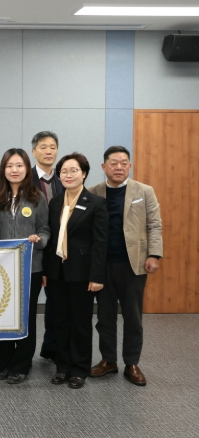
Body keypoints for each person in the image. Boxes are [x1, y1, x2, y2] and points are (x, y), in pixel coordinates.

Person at [88, 146, 163, 386]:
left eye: (123, 163)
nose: (118, 167)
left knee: (133, 317)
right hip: (102, 266)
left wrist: (154, 255)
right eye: (113, 163)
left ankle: (132, 362)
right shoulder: (92, 192)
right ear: (104, 167)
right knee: (105, 317)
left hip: (134, 264)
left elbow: (154, 225)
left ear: (129, 166)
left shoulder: (144, 191)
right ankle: (108, 360)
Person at [45, 152, 108, 389]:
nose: (68, 175)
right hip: (57, 272)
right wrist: (46, 271)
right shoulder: (55, 203)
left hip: (82, 273)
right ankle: (62, 367)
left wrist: (97, 276)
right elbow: (52, 239)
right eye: (64, 171)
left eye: (74, 170)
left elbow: (100, 243)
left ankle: (80, 369)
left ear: (84, 174)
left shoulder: (96, 203)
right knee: (59, 320)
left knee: (80, 322)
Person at [0, 149, 50, 384]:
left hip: (30, 267)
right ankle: (4, 363)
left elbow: (45, 229)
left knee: (26, 317)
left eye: (19, 165)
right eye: (9, 166)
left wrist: (39, 239)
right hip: (1, 269)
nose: (14, 170)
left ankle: (22, 364)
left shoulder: (37, 197)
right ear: (3, 170)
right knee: (3, 315)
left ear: (27, 169)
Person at [30, 131, 64, 361]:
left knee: (57, 303)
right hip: (33, 251)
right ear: (34, 152)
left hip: (58, 252)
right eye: (43, 147)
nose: (48, 151)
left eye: (52, 147)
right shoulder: (24, 179)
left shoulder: (65, 179)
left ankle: (51, 347)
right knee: (29, 306)